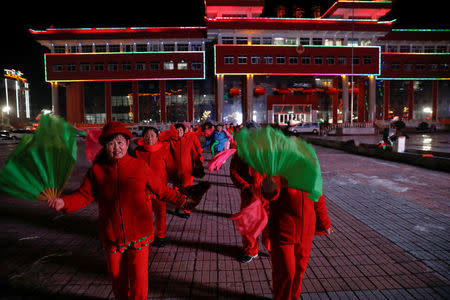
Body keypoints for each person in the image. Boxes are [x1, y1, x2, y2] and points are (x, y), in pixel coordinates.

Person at [46, 121, 201, 300]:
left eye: (120, 143)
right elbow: (83, 196)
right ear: (105, 147)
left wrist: (183, 200)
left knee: (139, 282)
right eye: (111, 144)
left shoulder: (139, 166)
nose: (116, 148)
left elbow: (162, 190)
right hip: (113, 235)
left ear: (128, 144)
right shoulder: (97, 171)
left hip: (139, 234)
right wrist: (63, 203)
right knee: (118, 282)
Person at [131, 126, 170, 247]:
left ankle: (161, 235)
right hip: (144, 189)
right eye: (147, 135)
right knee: (145, 213)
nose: (149, 138)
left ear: (157, 137)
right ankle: (148, 235)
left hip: (160, 188)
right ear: (143, 137)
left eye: (152, 135)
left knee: (161, 213)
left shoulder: (164, 149)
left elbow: (171, 166)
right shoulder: (138, 151)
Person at [160, 123, 204, 219]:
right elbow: (161, 142)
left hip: (187, 171)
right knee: (176, 191)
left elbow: (195, 154)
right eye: (177, 130)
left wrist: (200, 165)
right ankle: (177, 207)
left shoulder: (189, 140)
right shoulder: (171, 141)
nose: (179, 132)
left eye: (181, 130)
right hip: (175, 172)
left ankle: (187, 210)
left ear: (184, 131)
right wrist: (169, 133)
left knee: (187, 191)